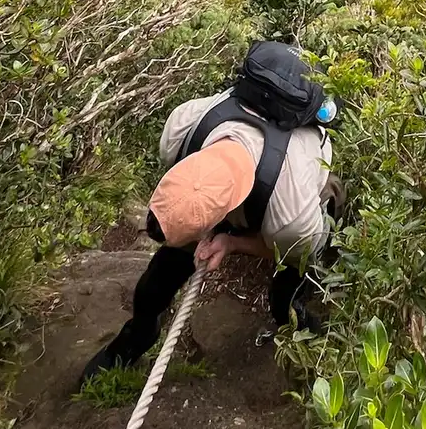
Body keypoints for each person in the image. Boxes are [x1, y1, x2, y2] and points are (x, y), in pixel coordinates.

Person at [80, 41, 339, 384]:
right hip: (236, 191)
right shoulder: (184, 126)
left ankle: (302, 322)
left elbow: (294, 252)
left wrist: (232, 245)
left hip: (296, 194)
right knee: (155, 282)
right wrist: (196, 231)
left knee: (284, 296)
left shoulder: (291, 212)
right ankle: (136, 338)